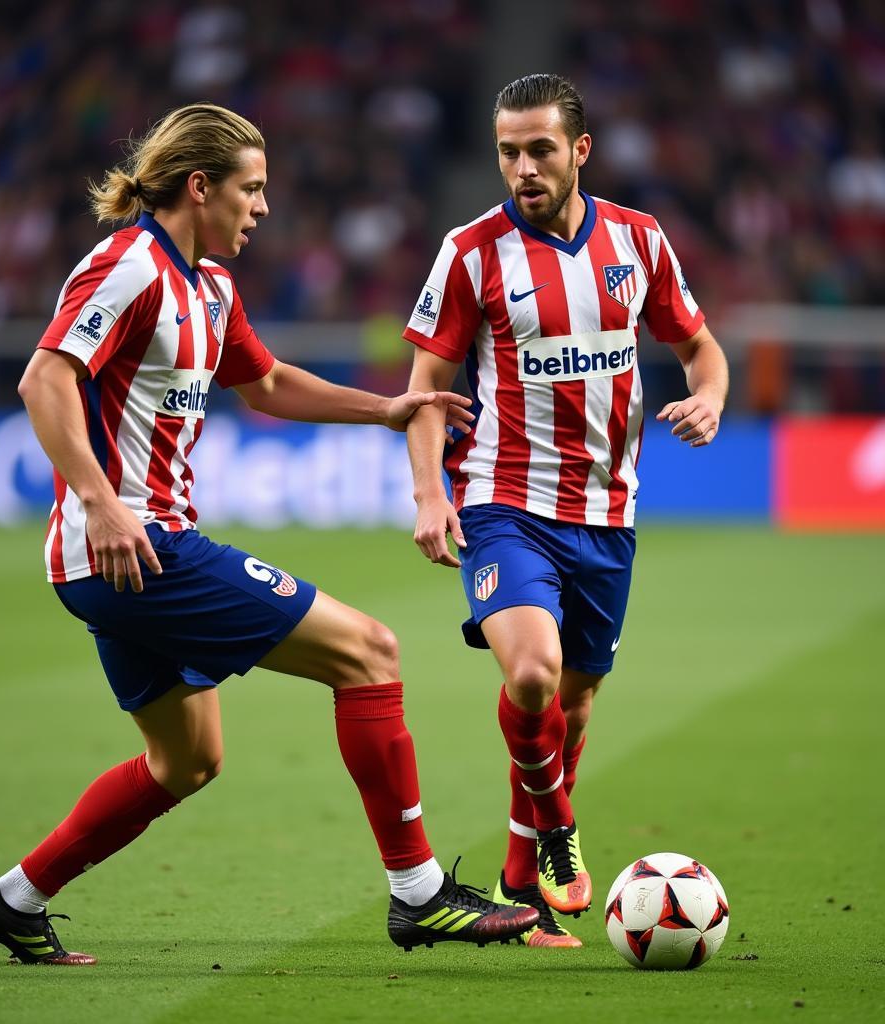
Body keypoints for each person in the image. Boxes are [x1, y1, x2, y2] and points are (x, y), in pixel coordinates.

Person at [0, 102, 538, 965]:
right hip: (137, 545)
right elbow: (44, 379)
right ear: (201, 188)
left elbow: (265, 385)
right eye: (251, 189)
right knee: (370, 652)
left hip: (122, 558)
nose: (262, 209)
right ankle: (419, 894)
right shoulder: (127, 266)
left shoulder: (211, 287)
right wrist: (102, 500)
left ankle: (11, 899)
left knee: (186, 762)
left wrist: (388, 408)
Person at [403, 74, 729, 948]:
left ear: (579, 150)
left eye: (539, 149)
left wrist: (709, 398)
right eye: (507, 151)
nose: (521, 167)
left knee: (571, 707)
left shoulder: (638, 240)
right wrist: (430, 489)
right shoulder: (471, 251)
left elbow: (700, 347)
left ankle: (520, 877)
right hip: (504, 501)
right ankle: (555, 830)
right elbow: (426, 387)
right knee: (534, 675)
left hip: (608, 513)